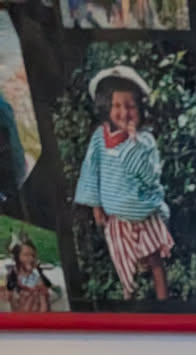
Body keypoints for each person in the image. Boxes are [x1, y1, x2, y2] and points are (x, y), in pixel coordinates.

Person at [73, 65, 172, 301]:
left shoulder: (145, 140)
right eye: (117, 105)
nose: (124, 112)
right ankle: (130, 302)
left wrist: (133, 143)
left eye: (130, 106)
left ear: (140, 109)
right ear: (107, 107)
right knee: (124, 263)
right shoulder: (99, 139)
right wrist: (96, 206)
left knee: (154, 260)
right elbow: (91, 171)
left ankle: (164, 302)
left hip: (144, 213)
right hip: (116, 216)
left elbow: (150, 175)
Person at [4, 236, 57, 313]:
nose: (31, 259)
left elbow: (48, 287)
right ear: (17, 257)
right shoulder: (13, 276)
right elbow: (10, 297)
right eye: (26, 255)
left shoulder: (38, 275)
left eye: (33, 255)